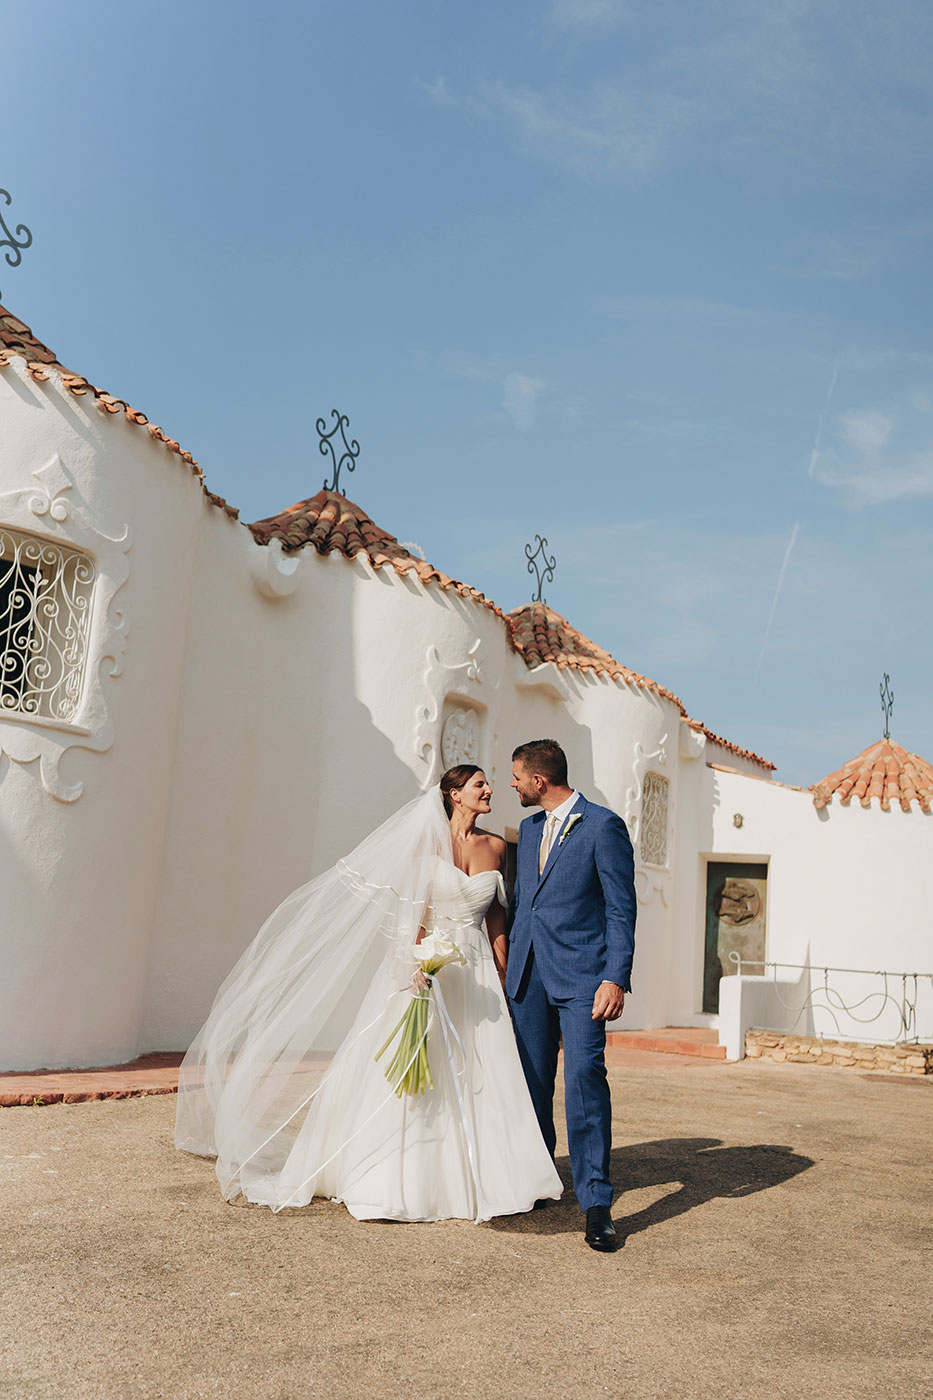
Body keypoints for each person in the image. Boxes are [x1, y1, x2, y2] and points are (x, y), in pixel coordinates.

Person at [175, 765, 562, 1222]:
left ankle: (492, 1176)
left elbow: (496, 917)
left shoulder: (497, 847)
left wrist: (501, 970)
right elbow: (415, 914)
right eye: (479, 784)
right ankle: (398, 1175)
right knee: (413, 1067)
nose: (489, 790)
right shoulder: (425, 847)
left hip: (474, 970)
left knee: (484, 1068)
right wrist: (416, 965)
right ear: (454, 794)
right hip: (428, 965)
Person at [507, 739, 636, 1252]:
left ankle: (596, 1203)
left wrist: (615, 976)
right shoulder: (529, 827)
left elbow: (621, 909)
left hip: (584, 977)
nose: (511, 784)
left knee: (585, 1079)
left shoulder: (603, 826)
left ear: (540, 781)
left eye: (517, 776)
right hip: (528, 976)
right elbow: (525, 905)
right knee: (532, 1084)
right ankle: (540, 1182)